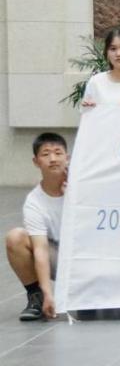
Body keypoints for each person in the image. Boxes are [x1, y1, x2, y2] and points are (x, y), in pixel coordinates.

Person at [5, 133, 68, 321]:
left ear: (68, 157)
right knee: (15, 237)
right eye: (46, 154)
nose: (53, 159)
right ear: (36, 161)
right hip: (60, 258)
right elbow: (40, 249)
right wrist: (48, 293)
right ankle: (37, 298)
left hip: (90, 256)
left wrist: (74, 197)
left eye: (58, 153)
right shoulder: (34, 202)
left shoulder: (82, 187)